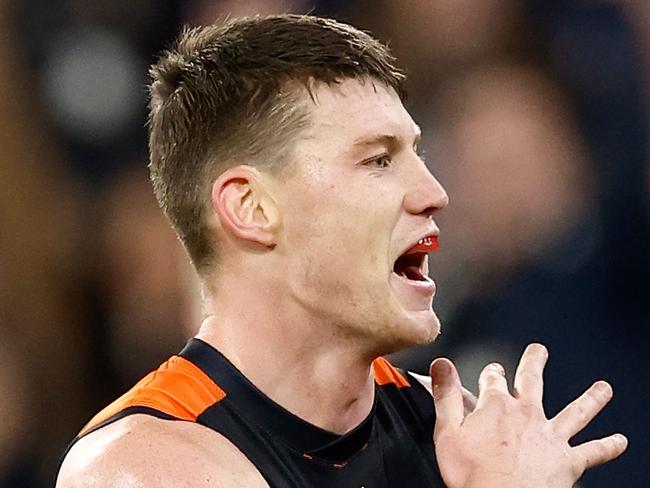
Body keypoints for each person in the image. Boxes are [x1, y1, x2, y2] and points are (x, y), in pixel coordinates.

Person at [56, 14, 627, 487]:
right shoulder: (141, 466)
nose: (434, 193)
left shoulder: (465, 435)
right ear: (252, 208)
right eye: (378, 159)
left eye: (418, 153)